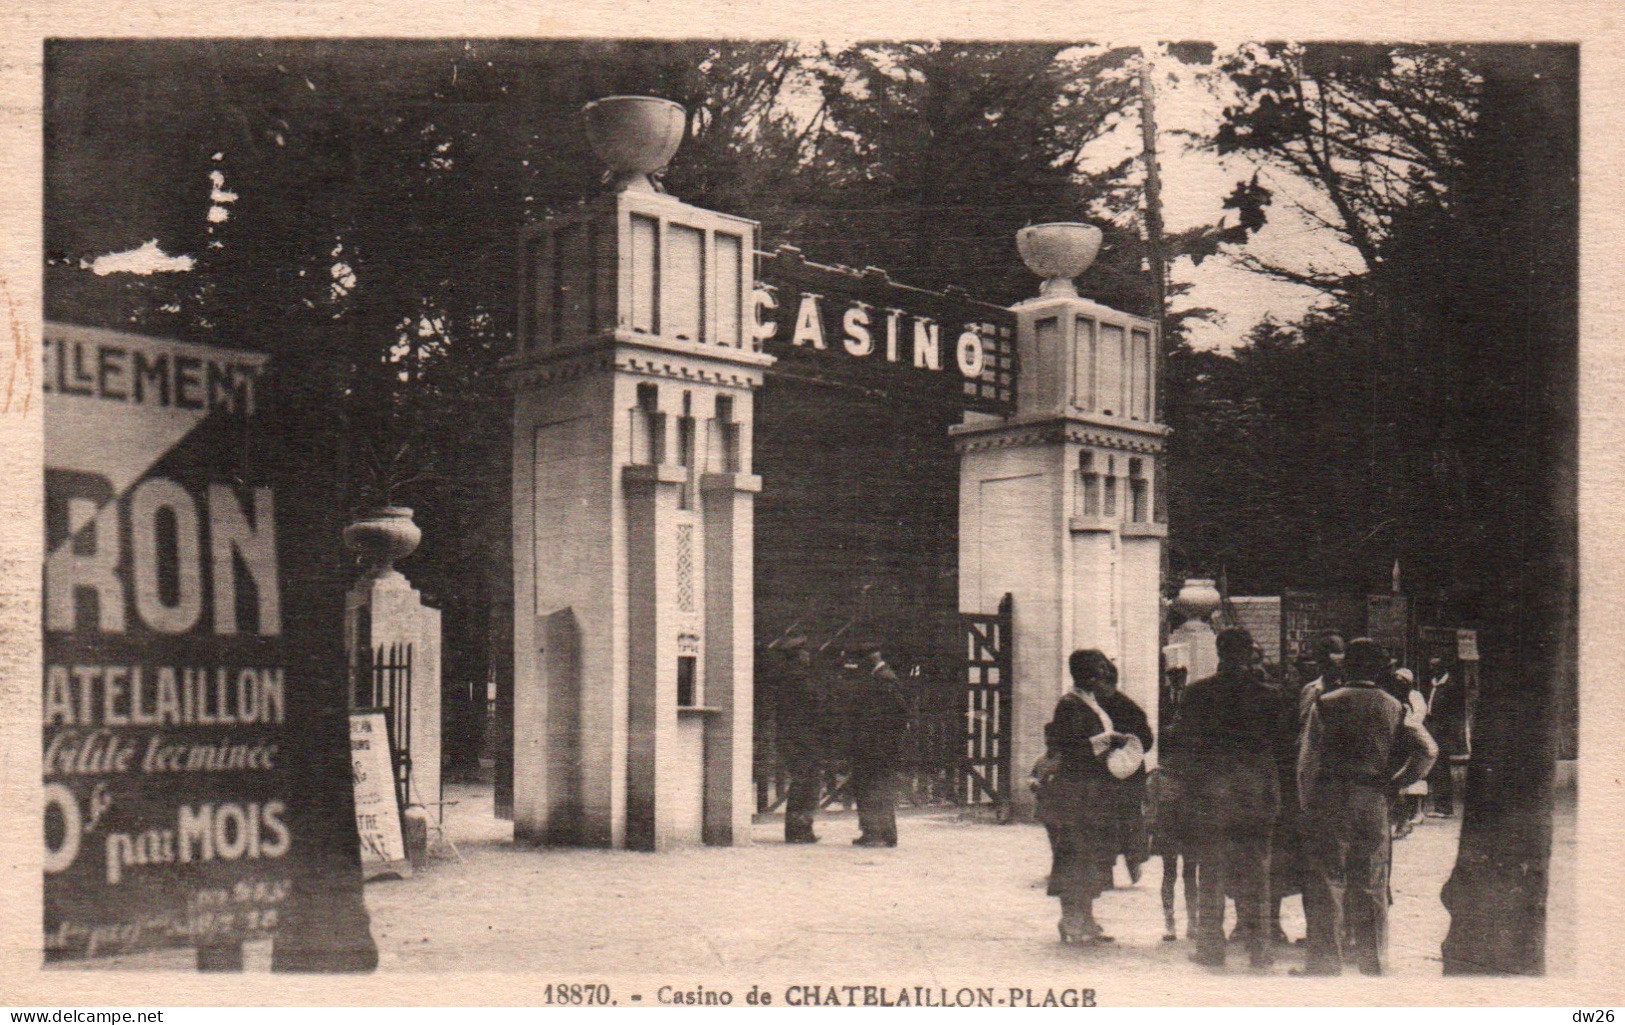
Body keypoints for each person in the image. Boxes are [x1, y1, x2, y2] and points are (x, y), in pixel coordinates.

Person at [1297, 638, 1438, 976]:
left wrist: (1307, 802)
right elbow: (1428, 751)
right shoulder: (1394, 706)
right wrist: (1398, 783)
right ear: (1380, 669)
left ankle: (1325, 963)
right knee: (1372, 881)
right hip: (1374, 797)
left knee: (1328, 878)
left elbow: (1307, 761)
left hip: (1331, 797)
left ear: (1347, 666)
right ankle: (1373, 961)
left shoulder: (1326, 703)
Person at [1172, 627, 1283, 968]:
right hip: (1256, 791)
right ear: (1250, 652)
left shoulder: (1195, 694)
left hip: (1213, 791)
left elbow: (1184, 748)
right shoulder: (1271, 695)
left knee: (1213, 870)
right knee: (1258, 872)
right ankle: (1260, 949)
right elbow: (1282, 747)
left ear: (1219, 651)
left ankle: (1210, 948)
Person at [1037, 650, 1140, 944]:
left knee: (1092, 856)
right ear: (1084, 674)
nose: (1101, 676)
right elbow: (1069, 748)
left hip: (1093, 791)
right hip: (1075, 792)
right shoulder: (1069, 706)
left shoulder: (1090, 702)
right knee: (1073, 856)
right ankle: (1070, 919)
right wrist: (1108, 741)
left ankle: (1087, 918)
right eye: (1096, 671)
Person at [843, 639, 908, 848]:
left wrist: (882, 743)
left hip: (877, 747)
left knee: (873, 788)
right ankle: (878, 832)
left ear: (871, 657)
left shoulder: (884, 680)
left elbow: (896, 716)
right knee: (874, 788)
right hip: (874, 746)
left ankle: (877, 834)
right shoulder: (878, 677)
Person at [1095, 664, 1154, 889]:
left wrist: (1125, 745)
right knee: (1106, 820)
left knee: (1129, 818)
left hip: (1127, 771)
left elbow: (1146, 741)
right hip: (1103, 772)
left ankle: (1133, 860)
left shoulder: (1128, 708)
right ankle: (1105, 871)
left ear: (1110, 683)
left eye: (1100, 683)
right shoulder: (1094, 706)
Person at [771, 630, 827, 844]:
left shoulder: (789, 678)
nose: (808, 656)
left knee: (802, 782)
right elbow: (815, 707)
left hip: (794, 739)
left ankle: (799, 829)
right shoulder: (800, 680)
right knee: (807, 783)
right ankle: (799, 830)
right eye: (804, 652)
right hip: (803, 740)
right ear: (798, 655)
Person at [1390, 668, 1429, 838]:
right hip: (1396, 746)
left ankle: (1407, 819)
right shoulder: (1394, 700)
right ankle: (1401, 822)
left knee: (1399, 784)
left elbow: (1415, 721)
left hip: (1404, 745)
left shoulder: (1409, 701)